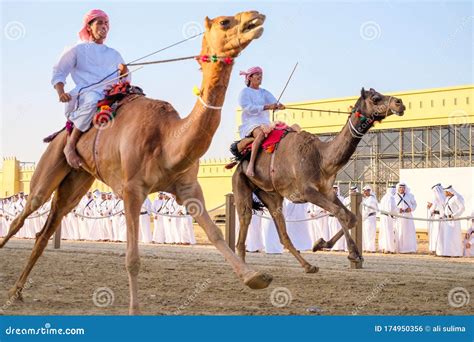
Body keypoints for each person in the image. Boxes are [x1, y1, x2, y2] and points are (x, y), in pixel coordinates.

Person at [51, 9, 130, 168]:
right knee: (94, 99)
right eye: (99, 22)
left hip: (110, 94)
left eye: (106, 23)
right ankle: (70, 146)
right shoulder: (76, 50)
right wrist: (61, 92)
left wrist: (125, 72)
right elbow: (59, 72)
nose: (104, 26)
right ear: (89, 27)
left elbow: (125, 80)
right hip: (86, 95)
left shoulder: (114, 54)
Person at [238, 66, 285, 177]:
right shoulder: (244, 92)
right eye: (257, 74)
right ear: (250, 77)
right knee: (261, 134)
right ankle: (251, 165)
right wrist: (267, 107)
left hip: (266, 122)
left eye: (261, 74)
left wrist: (279, 106)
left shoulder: (264, 92)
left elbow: (274, 102)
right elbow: (248, 107)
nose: (260, 76)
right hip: (251, 122)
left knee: (285, 132)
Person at [436, 185, 464, 257]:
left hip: (454, 220)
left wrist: (454, 215)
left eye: (445, 192)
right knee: (447, 237)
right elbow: (446, 209)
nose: (444, 193)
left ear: (449, 192)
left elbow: (462, 208)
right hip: (447, 220)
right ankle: (447, 253)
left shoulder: (456, 198)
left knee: (453, 237)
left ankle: (456, 253)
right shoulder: (447, 199)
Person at [395, 182, 417, 253]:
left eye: (403, 187)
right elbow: (392, 207)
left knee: (409, 232)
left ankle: (409, 248)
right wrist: (398, 210)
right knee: (400, 231)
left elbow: (414, 204)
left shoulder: (410, 196)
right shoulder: (394, 196)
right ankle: (400, 249)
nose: (402, 189)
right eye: (400, 187)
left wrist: (411, 209)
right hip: (399, 216)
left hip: (408, 216)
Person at [427, 183, 445, 254]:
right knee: (440, 233)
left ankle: (435, 249)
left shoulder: (436, 197)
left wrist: (429, 207)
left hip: (437, 217)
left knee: (436, 233)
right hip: (442, 217)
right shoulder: (444, 196)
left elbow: (432, 208)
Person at [378, 186, 397, 253]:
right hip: (388, 217)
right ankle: (388, 248)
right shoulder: (391, 198)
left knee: (384, 232)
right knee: (388, 233)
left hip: (383, 216)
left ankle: (383, 247)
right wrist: (395, 214)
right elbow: (391, 209)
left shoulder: (384, 197)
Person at [328, 185, 346, 251]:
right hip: (330, 217)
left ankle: (340, 247)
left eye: (335, 189)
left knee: (337, 232)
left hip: (337, 218)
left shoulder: (341, 198)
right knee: (331, 232)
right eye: (333, 189)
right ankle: (333, 246)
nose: (334, 190)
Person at [361, 185, 378, 252]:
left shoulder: (371, 199)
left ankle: (371, 248)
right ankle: (367, 247)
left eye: (367, 190)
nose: (365, 192)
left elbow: (367, 211)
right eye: (364, 191)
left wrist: (362, 217)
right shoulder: (366, 199)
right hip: (366, 218)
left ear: (370, 191)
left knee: (370, 233)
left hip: (370, 218)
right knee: (366, 233)